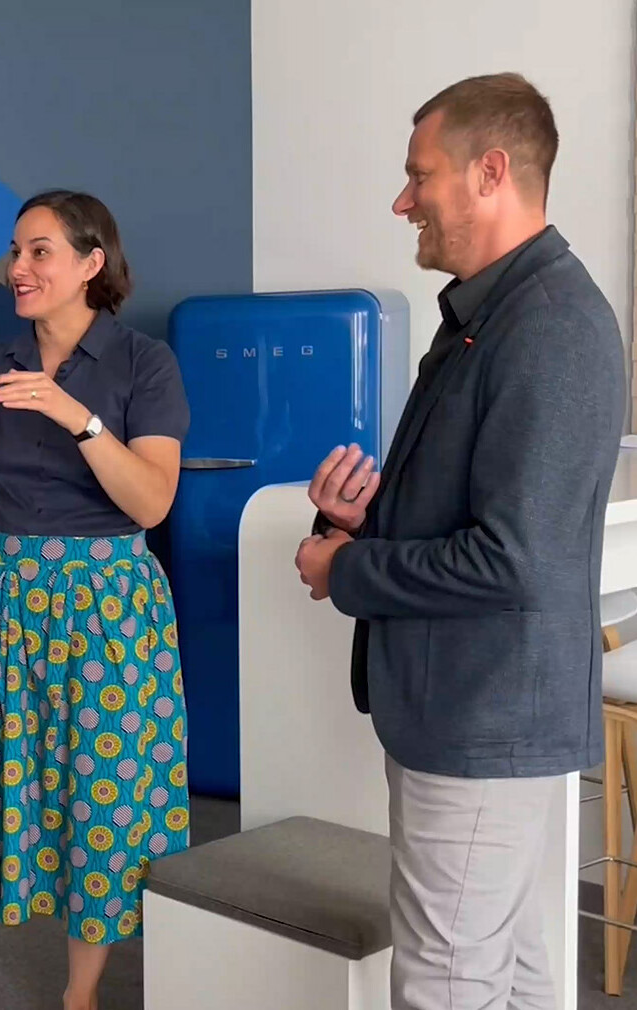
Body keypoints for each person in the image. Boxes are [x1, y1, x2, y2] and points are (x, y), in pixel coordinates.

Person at [296, 74, 625, 1009]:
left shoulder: (551, 326)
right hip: (473, 707)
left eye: (419, 176)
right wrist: (365, 522)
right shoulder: (491, 317)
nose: (403, 201)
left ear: (490, 173)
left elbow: (514, 560)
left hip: (482, 715)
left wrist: (345, 565)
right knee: (511, 978)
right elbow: (482, 519)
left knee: (448, 985)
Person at [0, 191, 191, 1010]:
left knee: (103, 786)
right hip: (1, 598)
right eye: (14, 252)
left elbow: (152, 503)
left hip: (109, 604)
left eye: (38, 252)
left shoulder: (144, 365)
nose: (17, 269)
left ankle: (80, 994)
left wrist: (78, 417)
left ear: (91, 265)